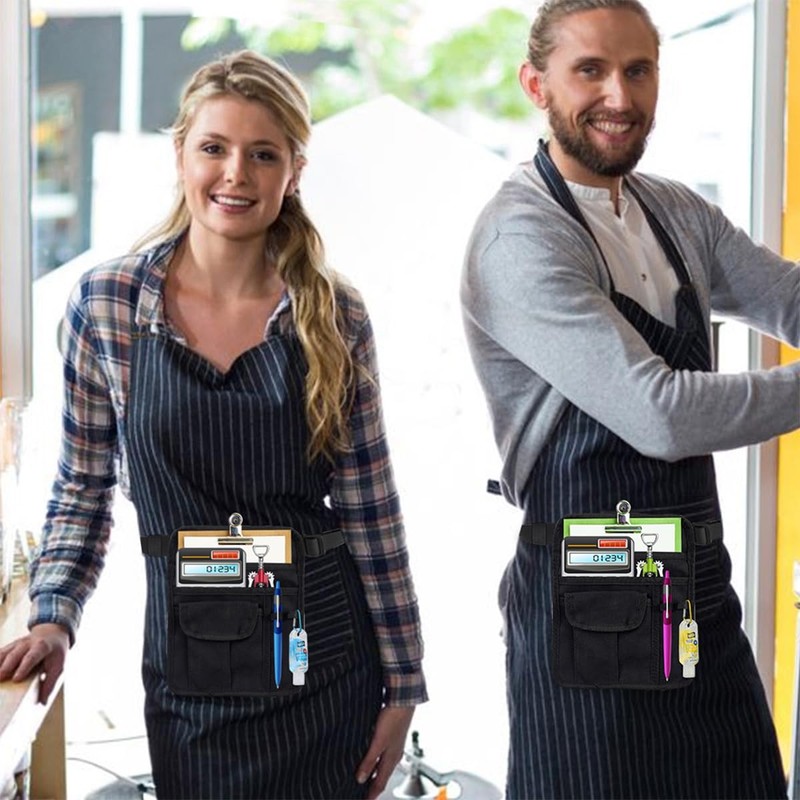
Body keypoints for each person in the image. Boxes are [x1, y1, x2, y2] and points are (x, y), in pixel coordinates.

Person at [0, 50, 426, 799]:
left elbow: (370, 509)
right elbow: (82, 488)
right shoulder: (109, 305)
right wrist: (53, 616)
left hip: (325, 665)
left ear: (294, 171)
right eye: (214, 148)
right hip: (190, 673)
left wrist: (403, 683)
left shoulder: (333, 314)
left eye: (263, 154)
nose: (236, 174)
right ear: (180, 155)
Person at [461, 1, 797, 798]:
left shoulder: (677, 212)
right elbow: (661, 415)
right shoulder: (519, 237)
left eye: (638, 70)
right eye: (591, 70)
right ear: (536, 85)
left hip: (698, 592)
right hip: (590, 607)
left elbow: (787, 297)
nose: (619, 95)